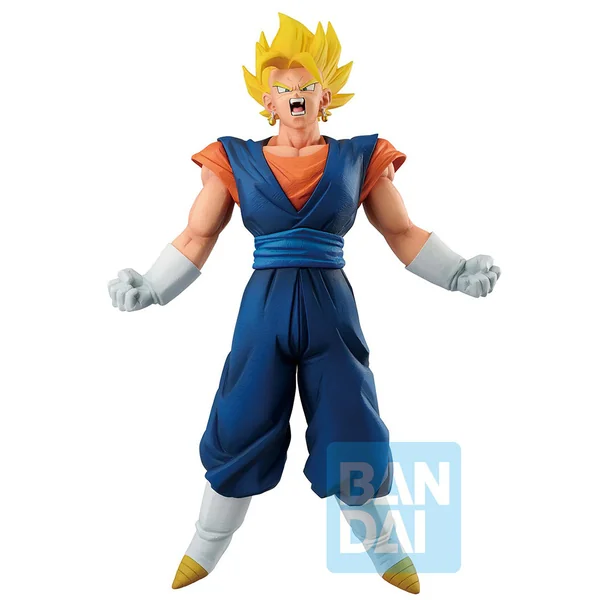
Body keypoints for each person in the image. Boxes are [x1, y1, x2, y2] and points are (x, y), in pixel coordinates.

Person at [108, 13, 500, 594]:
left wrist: (458, 272)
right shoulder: (233, 158)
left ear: (326, 96)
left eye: (308, 84)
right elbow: (197, 235)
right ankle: (206, 543)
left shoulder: (359, 158)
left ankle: (385, 548)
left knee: (351, 421)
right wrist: (151, 285)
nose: (296, 95)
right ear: (266, 100)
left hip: (331, 309)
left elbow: (401, 230)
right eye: (283, 87)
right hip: (262, 311)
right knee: (241, 417)